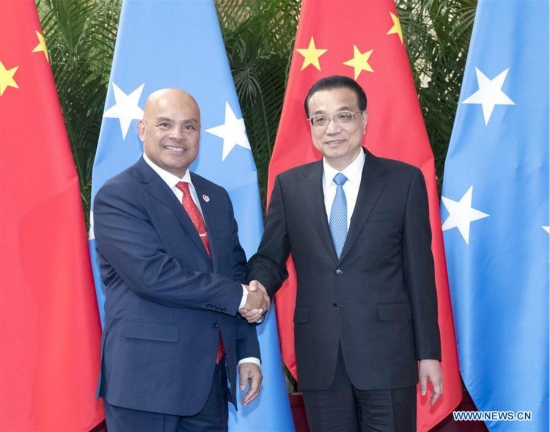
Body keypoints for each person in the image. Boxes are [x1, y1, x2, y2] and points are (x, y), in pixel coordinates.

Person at [246, 75, 443, 432]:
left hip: (387, 355)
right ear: (310, 126)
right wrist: (258, 286)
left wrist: (428, 353)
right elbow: (270, 257)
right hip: (320, 357)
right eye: (320, 119)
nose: (332, 128)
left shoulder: (404, 181)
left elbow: (419, 272)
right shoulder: (289, 186)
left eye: (343, 115)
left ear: (364, 119)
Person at [94, 88, 269, 432]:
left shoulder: (216, 196)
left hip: (208, 384)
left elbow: (235, 273)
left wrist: (247, 351)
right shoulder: (118, 195)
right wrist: (241, 297)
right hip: (146, 386)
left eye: (189, 126)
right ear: (142, 129)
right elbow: (153, 276)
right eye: (165, 124)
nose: (177, 135)